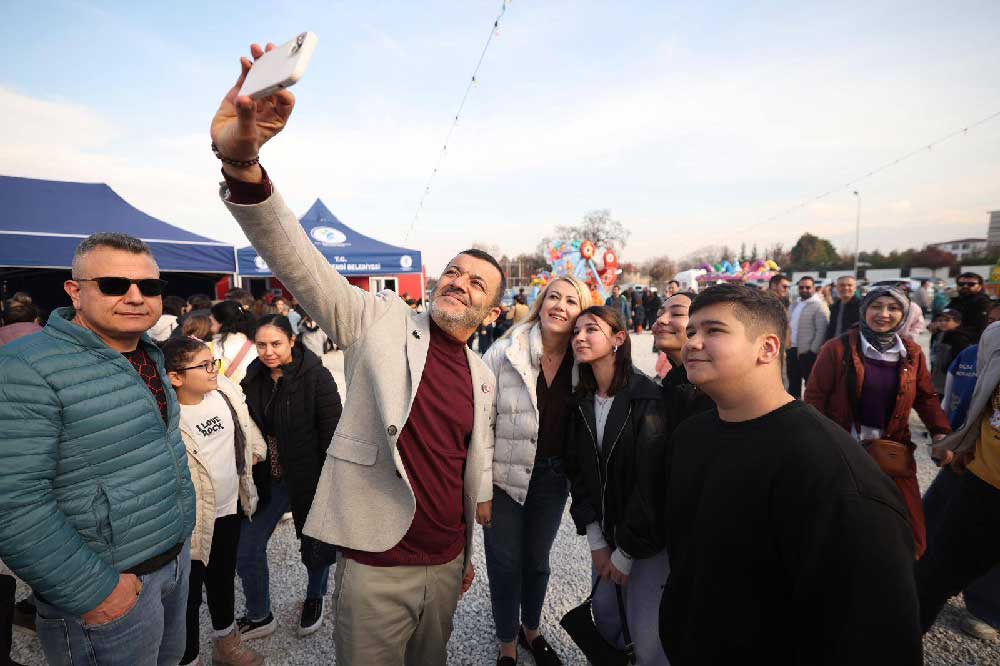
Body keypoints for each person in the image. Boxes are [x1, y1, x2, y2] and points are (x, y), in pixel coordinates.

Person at [213, 46, 503, 663]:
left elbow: (464, 469)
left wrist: (463, 557)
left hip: (447, 565)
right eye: (454, 271)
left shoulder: (482, 375)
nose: (460, 283)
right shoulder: (378, 318)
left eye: (478, 284)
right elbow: (299, 261)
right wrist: (244, 164)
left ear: (492, 312)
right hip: (378, 562)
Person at [659, 283, 921, 665]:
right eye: (693, 330)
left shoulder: (836, 477)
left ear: (767, 348)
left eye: (713, 331)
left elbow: (876, 636)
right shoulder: (690, 437)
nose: (693, 342)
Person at [0, 232, 196, 665]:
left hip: (172, 561)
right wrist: (96, 591)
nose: (134, 296)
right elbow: (13, 501)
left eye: (149, 287)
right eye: (113, 284)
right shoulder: (26, 367)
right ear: (75, 291)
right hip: (109, 587)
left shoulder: (147, 352)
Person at [481, 276, 591, 666]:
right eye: (554, 297)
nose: (560, 305)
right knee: (504, 560)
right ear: (541, 303)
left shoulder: (585, 359)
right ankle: (507, 640)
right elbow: (480, 424)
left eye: (571, 301)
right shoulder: (504, 351)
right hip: (502, 476)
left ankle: (531, 628)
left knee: (538, 560)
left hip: (553, 476)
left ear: (582, 312)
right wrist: (480, 488)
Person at [804, 285, 950, 556]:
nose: (884, 314)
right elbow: (814, 398)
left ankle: (895, 580)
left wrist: (941, 432)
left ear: (904, 313)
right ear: (864, 310)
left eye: (893, 308)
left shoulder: (912, 353)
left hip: (891, 451)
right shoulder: (837, 349)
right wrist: (817, 445)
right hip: (845, 451)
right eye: (876, 307)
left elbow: (926, 397)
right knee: (843, 521)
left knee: (910, 531)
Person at [563, 306, 669, 665]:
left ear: (618, 339)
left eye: (591, 330)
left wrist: (625, 553)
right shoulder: (581, 402)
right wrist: (596, 540)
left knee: (647, 637)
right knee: (606, 617)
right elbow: (577, 474)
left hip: (645, 543)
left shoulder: (646, 399)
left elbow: (651, 482)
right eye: (576, 331)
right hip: (605, 537)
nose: (579, 337)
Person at [162, 337, 266, 666]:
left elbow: (243, 420)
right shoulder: (166, 417)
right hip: (192, 520)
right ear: (175, 377)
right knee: (187, 595)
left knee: (222, 578)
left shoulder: (222, 390)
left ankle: (226, 643)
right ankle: (188, 657)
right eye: (204, 365)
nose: (213, 370)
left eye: (213, 362)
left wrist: (256, 449)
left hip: (229, 508)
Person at [237, 314, 341, 639]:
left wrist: (333, 483)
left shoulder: (316, 377)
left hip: (310, 475)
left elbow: (333, 432)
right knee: (247, 546)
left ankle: (315, 597)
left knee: (315, 546)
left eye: (276, 344)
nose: (268, 351)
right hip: (269, 477)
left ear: (292, 341)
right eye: (261, 345)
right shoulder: (253, 377)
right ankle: (259, 613)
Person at [919, 321, 1000, 634]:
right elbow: (980, 398)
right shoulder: (994, 336)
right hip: (983, 483)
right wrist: (964, 445)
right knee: (934, 574)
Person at [650, 291, 714, 429]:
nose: (661, 320)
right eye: (659, 315)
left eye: (677, 314)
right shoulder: (670, 383)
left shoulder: (715, 390)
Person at [787, 275, 829, 398]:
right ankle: (794, 409)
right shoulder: (794, 304)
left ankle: (811, 411)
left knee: (811, 385)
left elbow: (822, 330)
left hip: (807, 352)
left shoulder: (819, 305)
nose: (804, 290)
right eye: (801, 287)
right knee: (793, 383)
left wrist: (813, 351)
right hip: (792, 349)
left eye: (807, 287)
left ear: (814, 288)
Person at [211, 300, 257, 384]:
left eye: (212, 321)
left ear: (220, 322)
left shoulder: (217, 346)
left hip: (230, 392)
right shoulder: (255, 342)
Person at [929, 309, 973, 396]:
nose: (942, 323)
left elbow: (959, 362)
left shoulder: (960, 339)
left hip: (949, 383)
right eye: (940, 320)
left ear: (958, 322)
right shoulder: (938, 335)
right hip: (936, 380)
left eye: (947, 320)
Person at [948, 272, 993, 339]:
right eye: (961, 284)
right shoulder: (955, 301)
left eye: (971, 284)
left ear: (980, 286)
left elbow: (979, 327)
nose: (965, 286)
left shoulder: (982, 303)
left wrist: (952, 329)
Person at [823, 275, 860, 342]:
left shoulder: (862, 306)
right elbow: (831, 329)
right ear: (837, 288)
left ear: (855, 288)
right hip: (834, 346)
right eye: (842, 285)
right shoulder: (834, 307)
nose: (845, 288)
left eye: (849, 285)